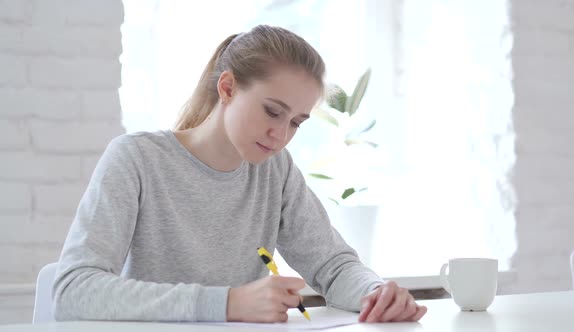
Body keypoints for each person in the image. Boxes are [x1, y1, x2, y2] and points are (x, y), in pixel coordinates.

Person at [52, 24, 427, 324]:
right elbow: (74, 289)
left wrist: (374, 294)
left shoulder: (274, 171)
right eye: (272, 111)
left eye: (296, 122)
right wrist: (227, 302)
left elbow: (332, 265)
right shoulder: (136, 159)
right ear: (228, 87)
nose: (280, 136)